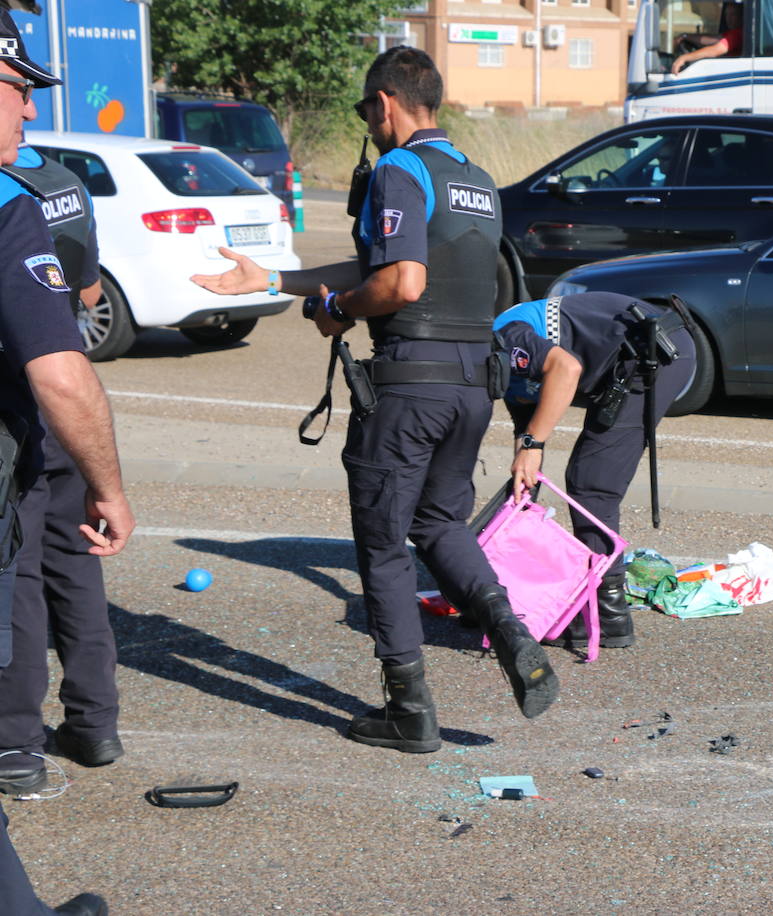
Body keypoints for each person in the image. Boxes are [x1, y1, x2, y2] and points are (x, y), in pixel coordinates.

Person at [190, 46, 558, 753]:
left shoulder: (399, 168)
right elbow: (380, 264)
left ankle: (408, 711)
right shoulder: (476, 179)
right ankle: (511, 630)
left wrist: (339, 308)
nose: (367, 122)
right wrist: (274, 278)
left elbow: (400, 283)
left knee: (386, 547)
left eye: (366, 110)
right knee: (442, 525)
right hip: (470, 389)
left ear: (386, 103)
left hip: (410, 387)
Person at [0, 9, 133, 914]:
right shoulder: (20, 197)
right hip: (29, 434)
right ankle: (72, 729)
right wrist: (111, 484)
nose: (24, 118)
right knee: (57, 574)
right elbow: (65, 355)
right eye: (18, 94)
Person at [0, 142, 122, 790]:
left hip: (23, 402)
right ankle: (96, 723)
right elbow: (89, 287)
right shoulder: (67, 181)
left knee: (17, 577)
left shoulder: (9, 193)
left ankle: (16, 745)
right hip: (70, 413)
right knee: (77, 569)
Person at [494, 291, 697, 649]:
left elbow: (566, 369)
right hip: (630, 355)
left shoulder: (504, 336)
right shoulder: (500, 357)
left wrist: (532, 446)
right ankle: (576, 598)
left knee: (592, 483)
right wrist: (524, 472)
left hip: (657, 351)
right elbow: (527, 426)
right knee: (574, 477)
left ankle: (606, 611)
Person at [671, 1, 744, 75]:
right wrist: (685, 36)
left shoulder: (738, 34)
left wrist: (684, 58)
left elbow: (716, 50)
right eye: (726, 14)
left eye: (733, 14)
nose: (728, 18)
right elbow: (713, 39)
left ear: (741, 16)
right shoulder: (732, 33)